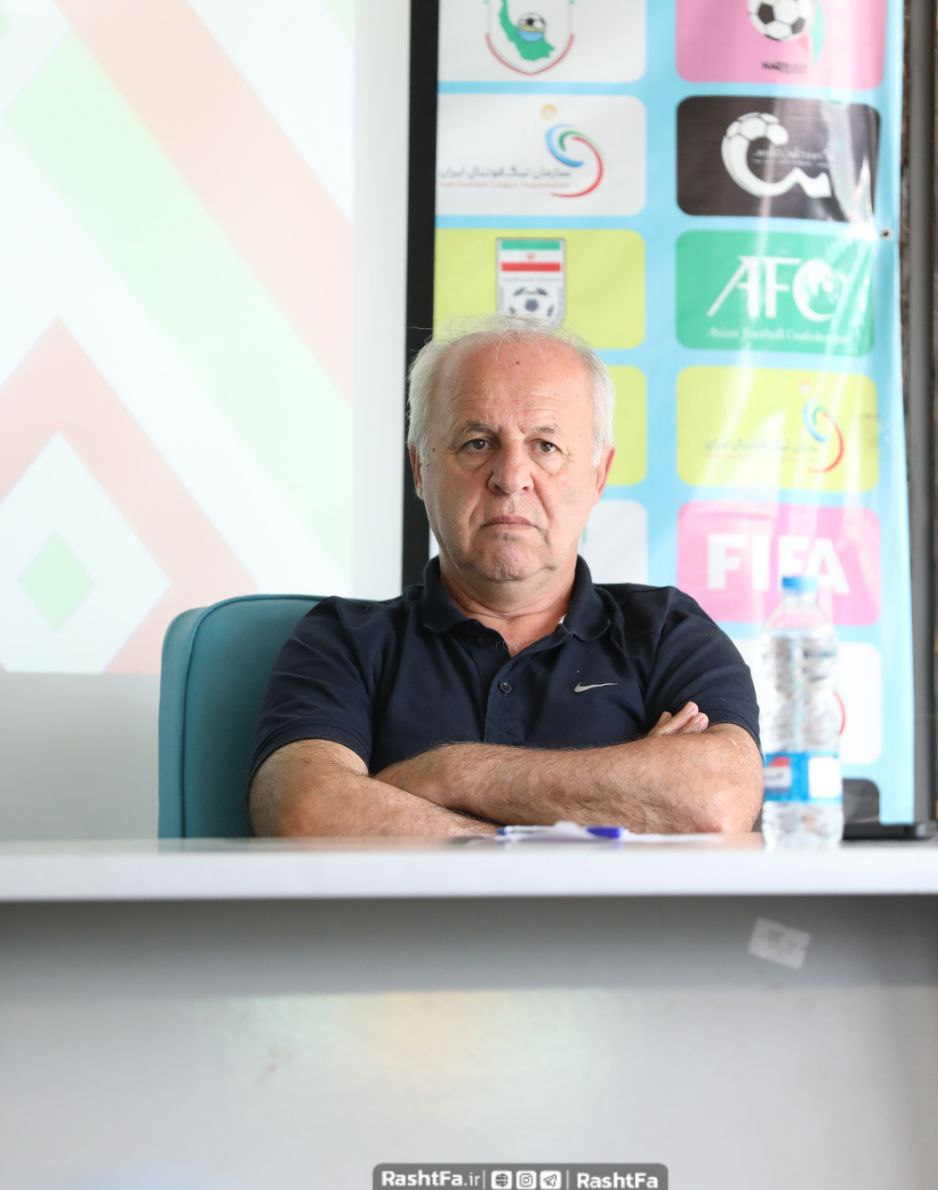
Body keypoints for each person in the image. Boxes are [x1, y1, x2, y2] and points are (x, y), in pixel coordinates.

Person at [248, 319, 762, 837]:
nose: (511, 476)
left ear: (598, 474)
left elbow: (718, 800)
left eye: (545, 446)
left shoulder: (669, 632)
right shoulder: (344, 640)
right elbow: (304, 812)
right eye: (477, 443)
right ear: (420, 469)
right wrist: (614, 800)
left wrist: (445, 773)